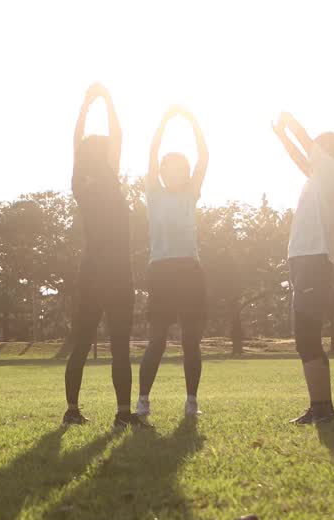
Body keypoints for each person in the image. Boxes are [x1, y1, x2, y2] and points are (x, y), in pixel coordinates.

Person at [63, 83, 148, 430]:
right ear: (107, 155)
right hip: (115, 274)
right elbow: (118, 135)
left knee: (81, 344)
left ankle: (72, 409)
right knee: (119, 347)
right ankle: (123, 414)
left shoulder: (79, 181)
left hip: (91, 272)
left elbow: (77, 141)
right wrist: (107, 101)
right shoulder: (107, 178)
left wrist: (86, 107)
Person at [272, 111, 334, 425]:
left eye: (316, 147)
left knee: (305, 338)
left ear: (326, 151)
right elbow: (298, 156)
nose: (310, 152)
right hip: (307, 260)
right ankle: (322, 407)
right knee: (308, 337)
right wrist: (281, 136)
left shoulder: (332, 172)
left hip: (313, 260)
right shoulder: (321, 177)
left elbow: (305, 144)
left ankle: (321, 408)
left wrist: (289, 121)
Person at [135, 106, 209, 420]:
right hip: (162, 271)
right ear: (163, 173)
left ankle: (191, 401)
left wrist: (193, 121)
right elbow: (152, 153)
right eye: (169, 168)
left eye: (180, 168)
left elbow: (204, 157)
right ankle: (143, 401)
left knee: (191, 341)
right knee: (157, 341)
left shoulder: (191, 192)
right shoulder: (153, 192)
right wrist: (164, 121)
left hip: (189, 271)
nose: (174, 172)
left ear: (186, 172)